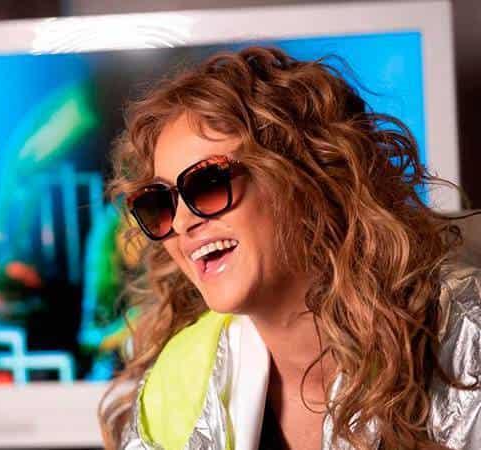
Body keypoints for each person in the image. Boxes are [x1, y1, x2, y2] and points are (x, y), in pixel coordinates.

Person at [98, 45, 481, 450]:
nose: (180, 223)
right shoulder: (176, 385)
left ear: (303, 179)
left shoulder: (462, 342)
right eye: (159, 203)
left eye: (208, 183)